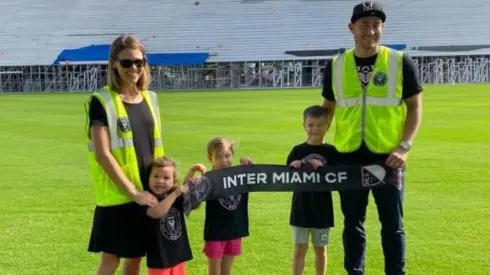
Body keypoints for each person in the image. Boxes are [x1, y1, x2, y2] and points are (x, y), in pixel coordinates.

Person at [321, 2, 423, 275]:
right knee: (352, 223)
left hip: (389, 156)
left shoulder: (401, 61)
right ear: (351, 27)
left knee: (392, 224)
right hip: (348, 155)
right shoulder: (336, 64)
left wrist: (404, 146)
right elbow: (328, 108)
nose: (371, 30)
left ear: (382, 28)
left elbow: (415, 107)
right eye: (364, 24)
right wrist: (315, 145)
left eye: (376, 24)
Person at [85, 34, 164, 275]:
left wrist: (164, 185)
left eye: (139, 62)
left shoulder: (150, 98)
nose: (134, 68)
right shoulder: (103, 100)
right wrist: (133, 191)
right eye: (127, 62)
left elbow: (155, 147)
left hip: (148, 191)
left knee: (136, 258)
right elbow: (102, 154)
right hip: (119, 195)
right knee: (111, 260)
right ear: (114, 64)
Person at [287, 105, 338, 275]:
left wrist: (324, 169)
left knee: (320, 249)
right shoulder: (297, 150)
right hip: (301, 208)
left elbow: (339, 179)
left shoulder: (331, 152)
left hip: (322, 209)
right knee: (300, 249)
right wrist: (292, 167)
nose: (314, 129)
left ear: (327, 126)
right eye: (310, 125)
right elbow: (285, 179)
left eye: (319, 125)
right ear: (304, 125)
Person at [144, 156, 207, 275]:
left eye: (166, 178)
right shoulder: (148, 198)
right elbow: (156, 213)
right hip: (159, 256)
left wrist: (192, 174)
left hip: (178, 253)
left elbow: (189, 198)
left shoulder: (175, 196)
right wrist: (175, 194)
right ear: (148, 178)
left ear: (174, 182)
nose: (160, 181)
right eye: (156, 176)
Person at [203, 137, 254, 275]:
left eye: (227, 156)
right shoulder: (208, 179)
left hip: (235, 231)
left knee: (226, 272)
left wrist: (251, 168)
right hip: (215, 233)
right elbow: (190, 198)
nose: (224, 161)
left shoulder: (240, 176)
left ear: (233, 155)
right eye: (218, 157)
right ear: (210, 158)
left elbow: (257, 179)